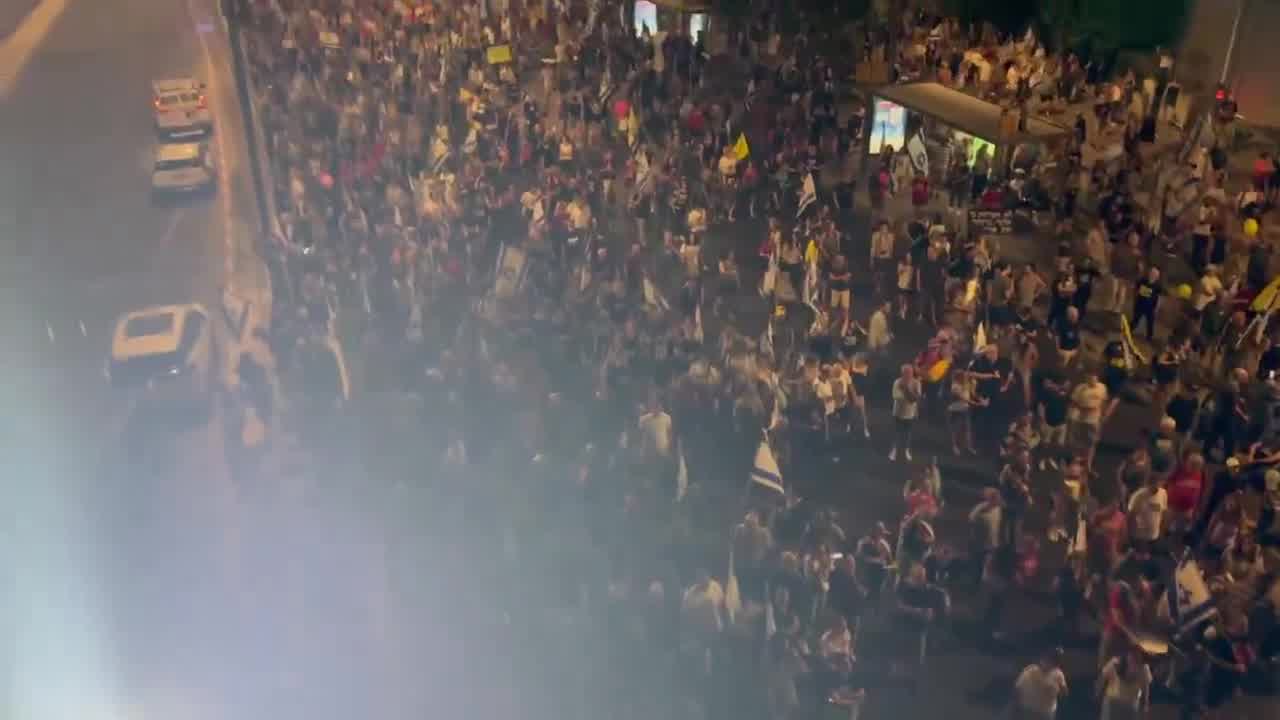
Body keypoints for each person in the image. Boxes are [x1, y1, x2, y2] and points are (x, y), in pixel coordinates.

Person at [1011, 648, 1069, 720]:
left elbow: (1064, 693)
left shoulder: (1058, 674)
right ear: (1043, 659)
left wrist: (1059, 689)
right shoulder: (1031, 670)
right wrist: (1015, 708)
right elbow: (1017, 688)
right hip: (1029, 710)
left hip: (1047, 713)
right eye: (1049, 660)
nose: (1050, 664)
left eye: (1055, 662)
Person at [1096, 648, 1153, 720]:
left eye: (1137, 656)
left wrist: (1145, 704)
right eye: (1132, 655)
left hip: (1131, 703)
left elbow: (1146, 687)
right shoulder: (1115, 663)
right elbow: (1103, 678)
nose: (1134, 658)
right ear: (1127, 656)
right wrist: (1098, 693)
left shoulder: (1144, 669)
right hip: (1113, 701)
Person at [890, 363, 922, 461]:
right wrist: (910, 396)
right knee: (897, 433)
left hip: (910, 413)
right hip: (898, 412)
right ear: (902, 373)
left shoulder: (916, 383)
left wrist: (906, 390)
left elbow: (917, 398)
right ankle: (894, 451)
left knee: (908, 434)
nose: (908, 374)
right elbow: (896, 396)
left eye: (910, 372)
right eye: (906, 372)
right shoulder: (897, 382)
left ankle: (906, 451)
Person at [1132, 266, 1163, 341]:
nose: (1153, 275)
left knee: (1150, 323)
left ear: (1157, 277)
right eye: (1152, 273)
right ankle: (1129, 330)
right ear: (1149, 273)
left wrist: (1156, 308)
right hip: (1140, 304)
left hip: (1151, 307)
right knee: (1135, 319)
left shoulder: (1158, 286)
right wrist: (1135, 300)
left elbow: (1159, 298)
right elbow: (1135, 290)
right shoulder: (1142, 281)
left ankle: (1149, 337)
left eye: (1155, 275)